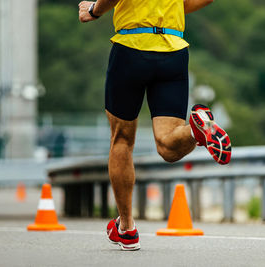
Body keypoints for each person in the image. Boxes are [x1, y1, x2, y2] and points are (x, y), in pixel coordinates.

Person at [78, 0, 231, 250]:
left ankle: (126, 228)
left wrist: (94, 10)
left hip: (132, 47)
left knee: (121, 140)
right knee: (168, 146)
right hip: (174, 51)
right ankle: (196, 129)